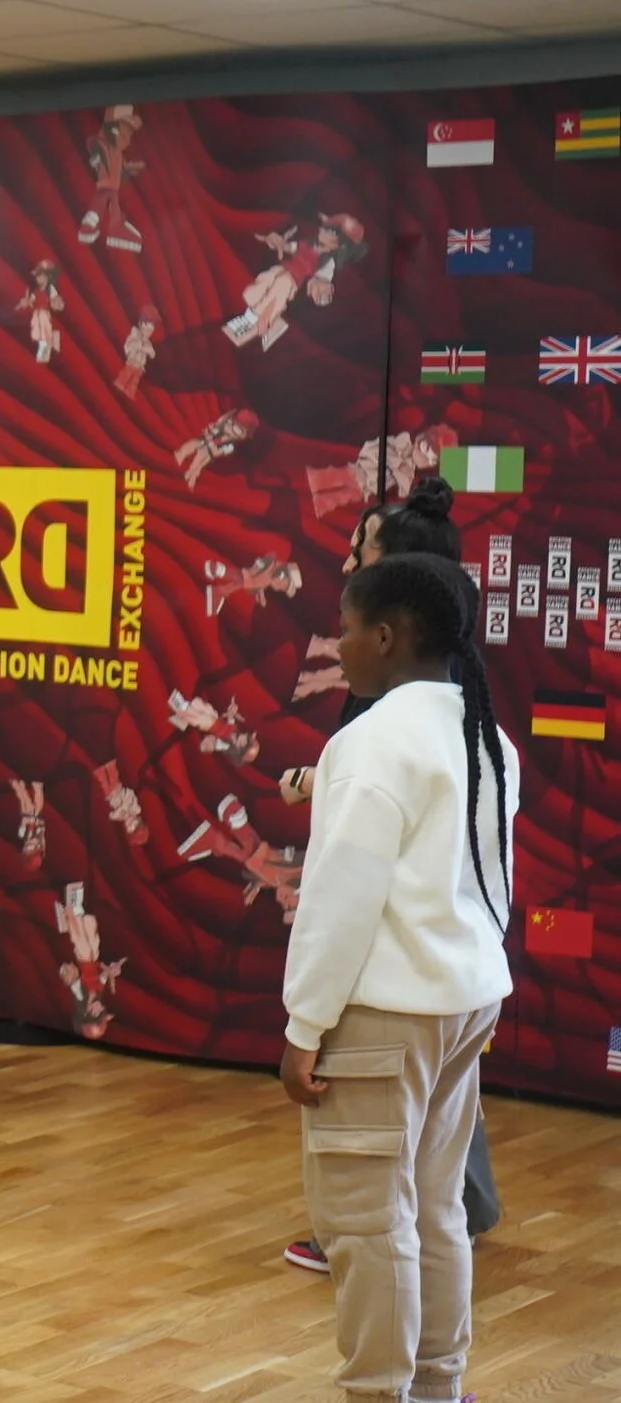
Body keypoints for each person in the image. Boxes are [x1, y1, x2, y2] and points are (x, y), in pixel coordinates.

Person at [281, 551, 515, 1403]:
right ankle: (438, 1387)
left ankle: (380, 1394)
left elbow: (340, 901)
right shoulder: (487, 735)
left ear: (387, 635)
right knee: (434, 1208)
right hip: (464, 1000)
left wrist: (304, 1027)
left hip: (384, 1011)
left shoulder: (370, 741)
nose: (338, 644)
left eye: (345, 628)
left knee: (367, 1224)